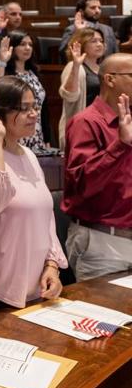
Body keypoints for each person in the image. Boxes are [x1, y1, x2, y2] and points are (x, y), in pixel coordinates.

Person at [0, 78, 66, 309]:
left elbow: (45, 217)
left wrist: (52, 265)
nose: (33, 114)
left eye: (34, 107)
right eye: (23, 108)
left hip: (37, 287)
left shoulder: (28, 154)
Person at [61, 53, 132, 280]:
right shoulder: (86, 122)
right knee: (107, 315)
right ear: (110, 79)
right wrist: (120, 144)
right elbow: (83, 184)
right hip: (101, 242)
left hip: (125, 236)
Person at [0, 32, 52, 154]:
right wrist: (2, 60)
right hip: (14, 133)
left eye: (30, 44)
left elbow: (43, 108)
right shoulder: (5, 72)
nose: (28, 48)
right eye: (22, 44)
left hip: (36, 133)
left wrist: (48, 138)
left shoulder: (33, 73)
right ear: (12, 47)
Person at [58, 27, 106, 152]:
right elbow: (69, 96)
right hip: (82, 128)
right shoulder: (74, 67)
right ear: (82, 44)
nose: (99, 44)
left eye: (101, 41)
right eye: (94, 41)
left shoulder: (103, 68)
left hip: (101, 126)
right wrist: (75, 66)